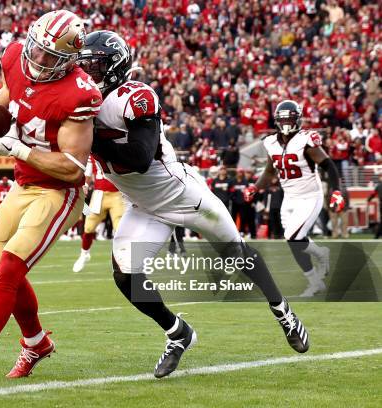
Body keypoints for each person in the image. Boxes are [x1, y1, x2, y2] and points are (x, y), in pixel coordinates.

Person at [79, 31, 309, 379]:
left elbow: (140, 158)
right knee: (125, 276)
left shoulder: (134, 96)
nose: (86, 72)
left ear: (114, 67)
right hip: (142, 205)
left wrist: (90, 135)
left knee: (236, 252)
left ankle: (282, 310)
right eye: (84, 65)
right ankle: (178, 333)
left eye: (94, 65)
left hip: (182, 194)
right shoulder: (81, 100)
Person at [0, 10, 101, 391]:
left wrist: (19, 149)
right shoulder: (14, 58)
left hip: (58, 193)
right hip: (22, 185)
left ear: (69, 59)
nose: (38, 61)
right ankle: (37, 343)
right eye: (36, 50)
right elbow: (7, 99)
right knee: (2, 274)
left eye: (50, 57)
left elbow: (74, 168)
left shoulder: (80, 94)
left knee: (8, 272)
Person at [246, 100, 343, 297]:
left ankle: (321, 255)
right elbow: (269, 171)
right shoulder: (270, 142)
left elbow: (329, 166)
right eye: (283, 119)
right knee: (293, 241)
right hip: (289, 198)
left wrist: (336, 191)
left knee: (293, 236)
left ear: (297, 119)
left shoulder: (306, 140)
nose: (287, 122)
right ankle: (315, 281)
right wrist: (255, 187)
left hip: (310, 196)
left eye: (290, 118)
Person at [73, 156, 124, 272]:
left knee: (120, 229)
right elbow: (88, 173)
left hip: (117, 194)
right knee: (89, 227)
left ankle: (120, 259)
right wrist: (85, 186)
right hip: (99, 194)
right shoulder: (93, 153)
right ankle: (84, 254)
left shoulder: (117, 149)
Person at [367, 174, 382, 239]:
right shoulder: (378, 186)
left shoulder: (378, 186)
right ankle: (377, 235)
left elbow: (373, 194)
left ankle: (377, 235)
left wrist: (368, 199)